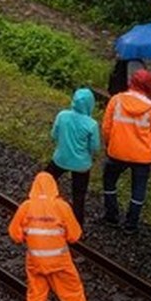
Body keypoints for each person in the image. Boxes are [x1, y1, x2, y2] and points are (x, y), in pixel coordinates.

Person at [9, 171, 102, 301]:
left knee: (36, 297)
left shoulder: (26, 207)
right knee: (71, 292)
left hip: (35, 262)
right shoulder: (61, 206)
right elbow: (75, 235)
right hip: (60, 262)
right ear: (54, 187)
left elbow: (15, 235)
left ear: (34, 187)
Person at [101, 68, 151, 233]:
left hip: (117, 151)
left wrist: (109, 144)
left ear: (132, 82)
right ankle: (131, 224)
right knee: (138, 189)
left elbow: (106, 127)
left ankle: (112, 216)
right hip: (142, 156)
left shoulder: (116, 100)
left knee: (109, 181)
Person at [45, 87, 101, 225]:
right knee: (79, 195)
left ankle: (44, 208)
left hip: (61, 159)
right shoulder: (91, 124)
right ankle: (77, 224)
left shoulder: (62, 115)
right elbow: (95, 147)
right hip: (81, 164)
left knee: (46, 180)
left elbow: (54, 135)